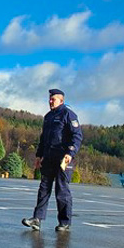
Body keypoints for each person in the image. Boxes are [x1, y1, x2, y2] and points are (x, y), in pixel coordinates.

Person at [22, 89, 82, 232]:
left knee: (61, 190)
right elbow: (44, 139)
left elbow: (77, 136)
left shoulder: (68, 114)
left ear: (61, 100)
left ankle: (64, 222)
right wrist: (39, 155)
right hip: (49, 157)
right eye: (49, 99)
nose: (50, 101)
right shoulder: (48, 117)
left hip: (63, 159)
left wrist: (70, 153)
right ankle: (37, 219)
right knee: (43, 189)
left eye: (53, 99)